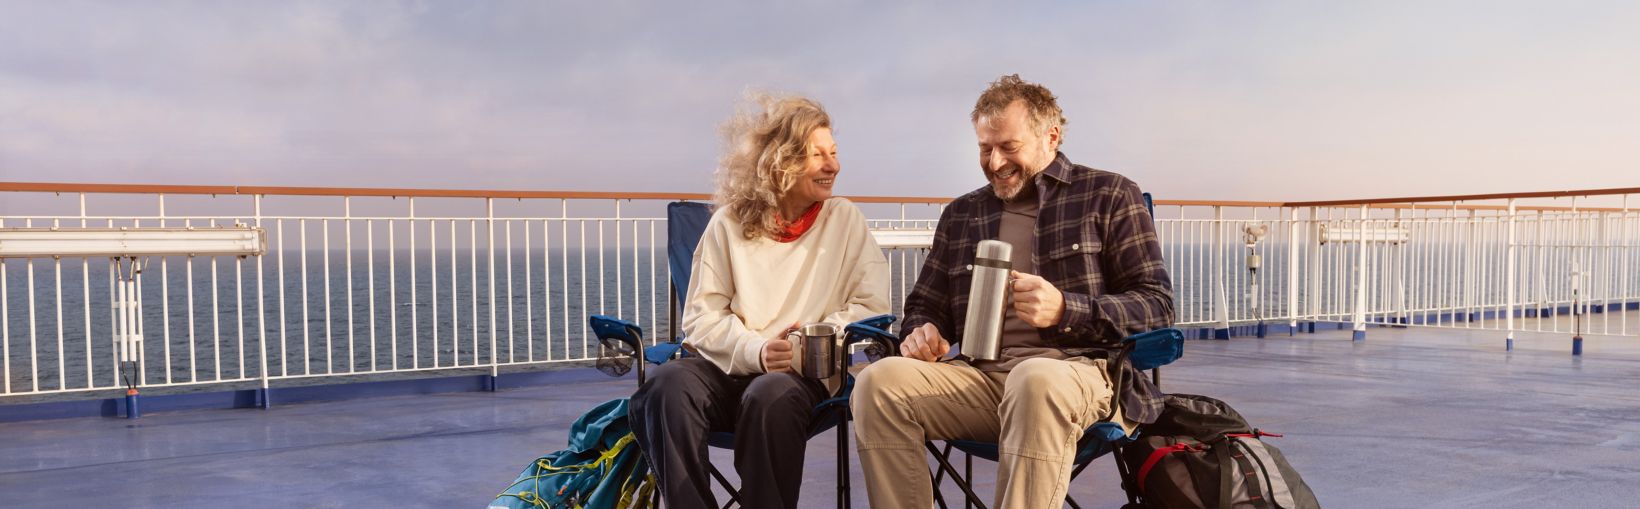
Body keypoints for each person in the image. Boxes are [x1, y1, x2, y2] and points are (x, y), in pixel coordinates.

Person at [851, 74, 1175, 508]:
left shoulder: (1110, 194)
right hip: (982, 378)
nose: (995, 161)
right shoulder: (962, 214)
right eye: (985, 148)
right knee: (877, 383)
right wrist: (922, 330)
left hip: (1081, 375)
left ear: (1051, 137)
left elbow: (1156, 305)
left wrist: (1066, 309)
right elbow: (926, 304)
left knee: (1033, 378)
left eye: (1009, 147)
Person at [628, 93, 891, 509]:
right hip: (727, 369)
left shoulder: (844, 220)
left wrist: (809, 340)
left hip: (803, 378)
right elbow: (700, 317)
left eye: (834, 153)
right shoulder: (728, 223)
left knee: (769, 394)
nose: (833, 166)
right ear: (780, 162)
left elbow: (871, 306)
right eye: (817, 155)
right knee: (665, 385)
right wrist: (757, 350)